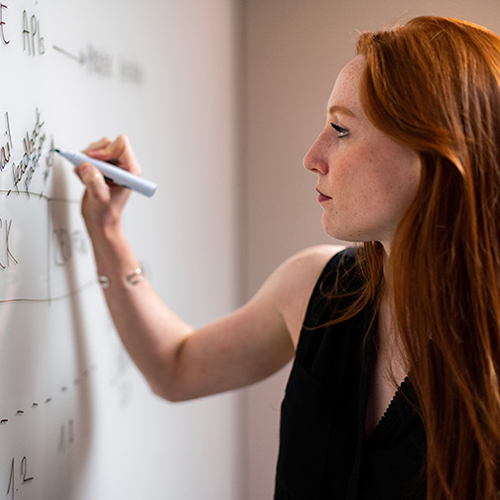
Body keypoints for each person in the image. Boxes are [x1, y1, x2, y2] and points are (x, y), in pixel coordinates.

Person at [75, 15, 500, 500]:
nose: (312, 156)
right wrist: (107, 231)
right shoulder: (317, 288)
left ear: (432, 155)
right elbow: (174, 367)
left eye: (340, 129)